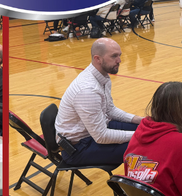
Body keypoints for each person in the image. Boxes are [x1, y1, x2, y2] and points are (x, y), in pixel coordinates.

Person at [55, 38, 141, 167]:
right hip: (78, 149)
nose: (119, 60)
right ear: (98, 59)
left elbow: (109, 110)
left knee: (148, 129)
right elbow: (101, 136)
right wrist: (141, 135)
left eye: (119, 55)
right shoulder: (88, 90)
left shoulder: (102, 77)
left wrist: (140, 120)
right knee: (145, 145)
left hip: (94, 133)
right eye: (114, 56)